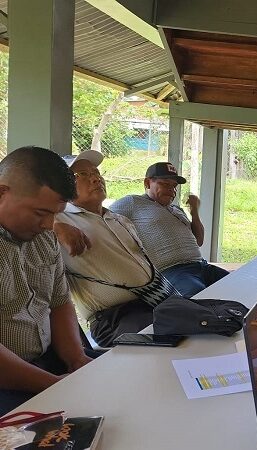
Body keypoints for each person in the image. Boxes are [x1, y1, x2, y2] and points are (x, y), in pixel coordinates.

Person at [0, 147, 99, 415]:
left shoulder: (44, 238)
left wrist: (77, 360)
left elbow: (59, 302)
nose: (49, 224)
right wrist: (54, 385)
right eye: (40, 213)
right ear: (2, 193)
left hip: (50, 360)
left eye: (56, 214)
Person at [53, 151, 176, 347]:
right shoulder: (58, 219)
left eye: (96, 172)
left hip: (158, 300)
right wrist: (54, 226)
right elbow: (16, 218)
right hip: (115, 318)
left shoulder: (120, 220)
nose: (95, 178)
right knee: (171, 338)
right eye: (82, 175)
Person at [109, 162, 228, 298]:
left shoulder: (177, 210)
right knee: (197, 297)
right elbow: (101, 216)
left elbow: (199, 241)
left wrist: (194, 212)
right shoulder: (133, 202)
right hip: (172, 271)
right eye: (165, 184)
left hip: (202, 266)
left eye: (174, 186)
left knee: (238, 286)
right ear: (147, 183)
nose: (172, 190)